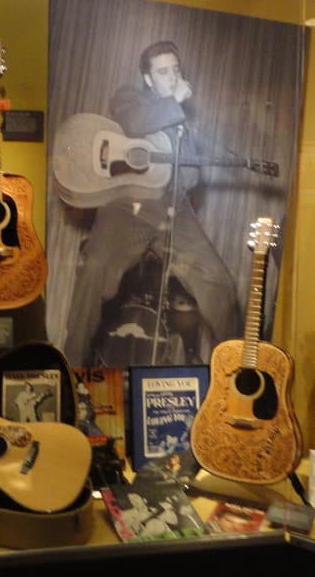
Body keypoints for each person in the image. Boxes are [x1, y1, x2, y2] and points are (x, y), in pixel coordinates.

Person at [62, 40, 241, 368]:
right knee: (94, 269)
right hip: (125, 207)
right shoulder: (129, 98)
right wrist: (174, 104)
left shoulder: (184, 120)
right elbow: (134, 123)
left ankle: (237, 370)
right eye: (163, 72)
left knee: (220, 283)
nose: (172, 77)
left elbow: (191, 178)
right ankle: (71, 368)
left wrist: (186, 141)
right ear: (148, 78)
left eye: (175, 70)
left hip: (173, 209)